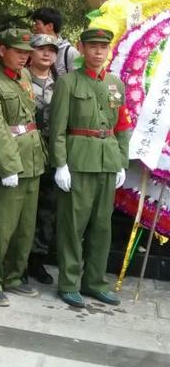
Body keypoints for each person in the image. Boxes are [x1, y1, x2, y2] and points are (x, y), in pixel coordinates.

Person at [49, 27, 131, 308]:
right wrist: (60, 164)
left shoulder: (115, 84)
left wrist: (121, 162)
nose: (98, 51)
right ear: (81, 49)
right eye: (93, 46)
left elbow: (121, 126)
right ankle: (69, 283)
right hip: (78, 161)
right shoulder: (68, 83)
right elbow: (57, 128)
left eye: (103, 47)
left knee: (101, 226)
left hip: (107, 161)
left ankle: (95, 282)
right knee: (73, 225)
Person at [0, 28, 46, 306]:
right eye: (18, 51)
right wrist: (7, 166)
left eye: (27, 53)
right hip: (11, 157)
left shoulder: (25, 76)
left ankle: (14, 275)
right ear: (2, 50)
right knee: (0, 225)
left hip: (33, 156)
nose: (24, 58)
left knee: (25, 225)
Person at [26, 33, 60, 285]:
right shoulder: (20, 80)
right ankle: (17, 260)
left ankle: (36, 260)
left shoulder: (60, 82)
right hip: (26, 152)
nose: (47, 54)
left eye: (52, 50)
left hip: (50, 153)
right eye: (41, 49)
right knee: (23, 209)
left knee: (47, 211)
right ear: (31, 52)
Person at [30, 6, 80, 76]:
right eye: (41, 49)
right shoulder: (31, 48)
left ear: (50, 26)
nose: (34, 28)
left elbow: (78, 82)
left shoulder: (70, 53)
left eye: (37, 24)